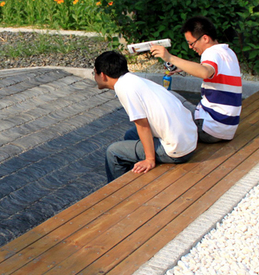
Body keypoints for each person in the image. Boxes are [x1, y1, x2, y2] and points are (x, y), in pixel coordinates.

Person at [94, 50, 197, 181]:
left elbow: (142, 126)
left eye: (94, 73)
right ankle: (135, 176)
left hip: (177, 151)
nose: (95, 77)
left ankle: (119, 189)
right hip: (189, 139)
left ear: (103, 75)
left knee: (113, 152)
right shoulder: (134, 79)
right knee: (130, 135)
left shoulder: (124, 89)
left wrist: (149, 159)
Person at [150, 16, 242, 143]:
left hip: (208, 129)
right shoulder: (228, 52)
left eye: (191, 43)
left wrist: (170, 58)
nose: (190, 47)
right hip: (226, 129)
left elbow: (205, 72)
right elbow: (209, 69)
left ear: (205, 38)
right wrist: (182, 67)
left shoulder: (211, 53)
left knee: (166, 96)